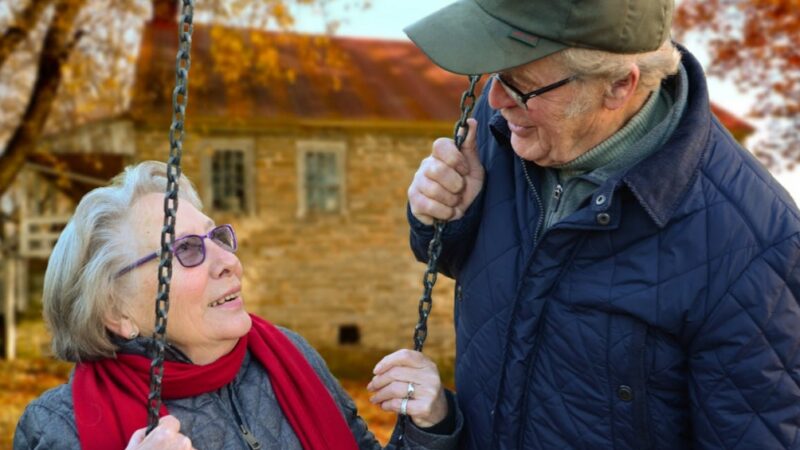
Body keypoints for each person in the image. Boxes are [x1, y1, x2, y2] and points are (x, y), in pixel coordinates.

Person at [404, 0, 800, 448]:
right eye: (495, 74)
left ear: (617, 87)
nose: (495, 100)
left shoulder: (757, 246)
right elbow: (481, 268)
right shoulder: (509, 125)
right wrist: (445, 217)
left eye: (521, 86)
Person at [14, 161, 462, 450]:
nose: (228, 261)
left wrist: (430, 425)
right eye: (187, 250)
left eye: (218, 238)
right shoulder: (57, 427)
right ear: (117, 312)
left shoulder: (288, 356)